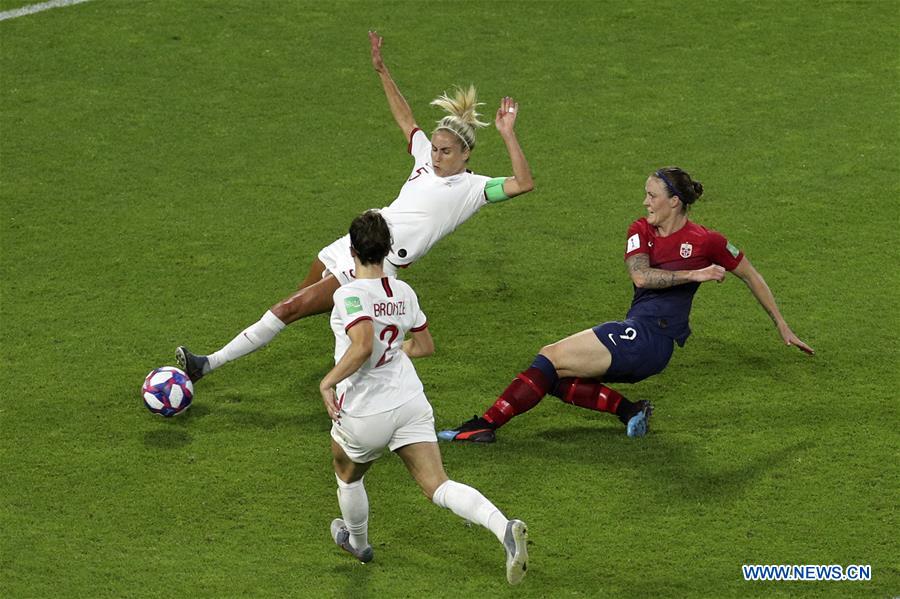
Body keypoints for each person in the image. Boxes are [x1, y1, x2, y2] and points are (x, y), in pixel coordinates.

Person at [175, 31, 533, 382]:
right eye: (436, 149)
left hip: (376, 263)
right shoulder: (424, 157)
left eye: (446, 151)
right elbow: (406, 120)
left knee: (290, 308)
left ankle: (206, 364)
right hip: (355, 241)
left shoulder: (475, 188)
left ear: (466, 153)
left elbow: (523, 184)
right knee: (296, 301)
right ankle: (348, 339)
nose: (437, 156)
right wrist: (381, 70)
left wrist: (508, 134)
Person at [439, 167, 814, 443]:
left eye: (652, 196)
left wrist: (781, 324)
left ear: (675, 202)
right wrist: (693, 276)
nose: (645, 202)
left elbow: (751, 274)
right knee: (553, 378)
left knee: (549, 358)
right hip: (637, 333)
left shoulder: (707, 241)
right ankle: (630, 410)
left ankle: (484, 426)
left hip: (652, 340)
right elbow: (641, 277)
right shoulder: (641, 229)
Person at [321, 210, 528, 584]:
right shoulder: (404, 291)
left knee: (348, 475)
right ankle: (503, 527)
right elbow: (425, 345)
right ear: (386, 251)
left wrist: (327, 382)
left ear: (352, 250)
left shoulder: (347, 294)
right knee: (438, 485)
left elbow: (362, 345)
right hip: (410, 400)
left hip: (367, 409)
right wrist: (397, 351)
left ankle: (359, 543)